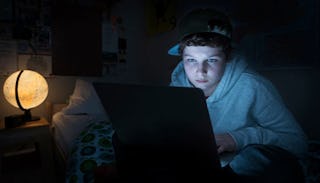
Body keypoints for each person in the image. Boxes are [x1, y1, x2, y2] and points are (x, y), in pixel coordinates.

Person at [167, 8, 308, 183]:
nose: (200, 71)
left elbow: (298, 143)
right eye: (191, 60)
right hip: (197, 166)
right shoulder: (176, 87)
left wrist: (237, 138)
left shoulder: (253, 87)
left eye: (211, 60)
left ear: (227, 57)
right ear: (182, 58)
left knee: (251, 161)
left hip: (243, 169)